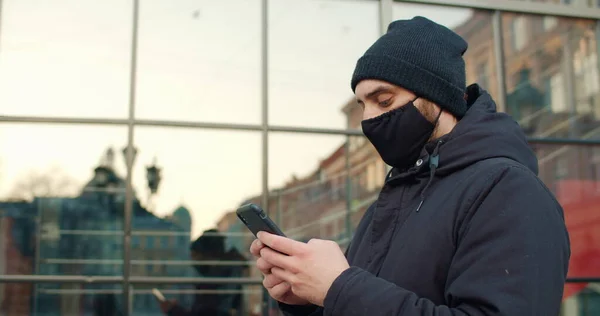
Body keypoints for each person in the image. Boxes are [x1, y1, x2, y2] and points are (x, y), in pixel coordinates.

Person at [250, 16, 571, 316]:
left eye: (384, 101)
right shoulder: (391, 200)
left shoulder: (509, 191)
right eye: (363, 105)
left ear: (439, 97)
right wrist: (311, 300)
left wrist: (339, 287)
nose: (369, 119)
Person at [160, 228, 248, 316]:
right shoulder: (230, 275)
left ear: (208, 255)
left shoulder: (212, 284)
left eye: (195, 256)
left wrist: (173, 310)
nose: (193, 261)